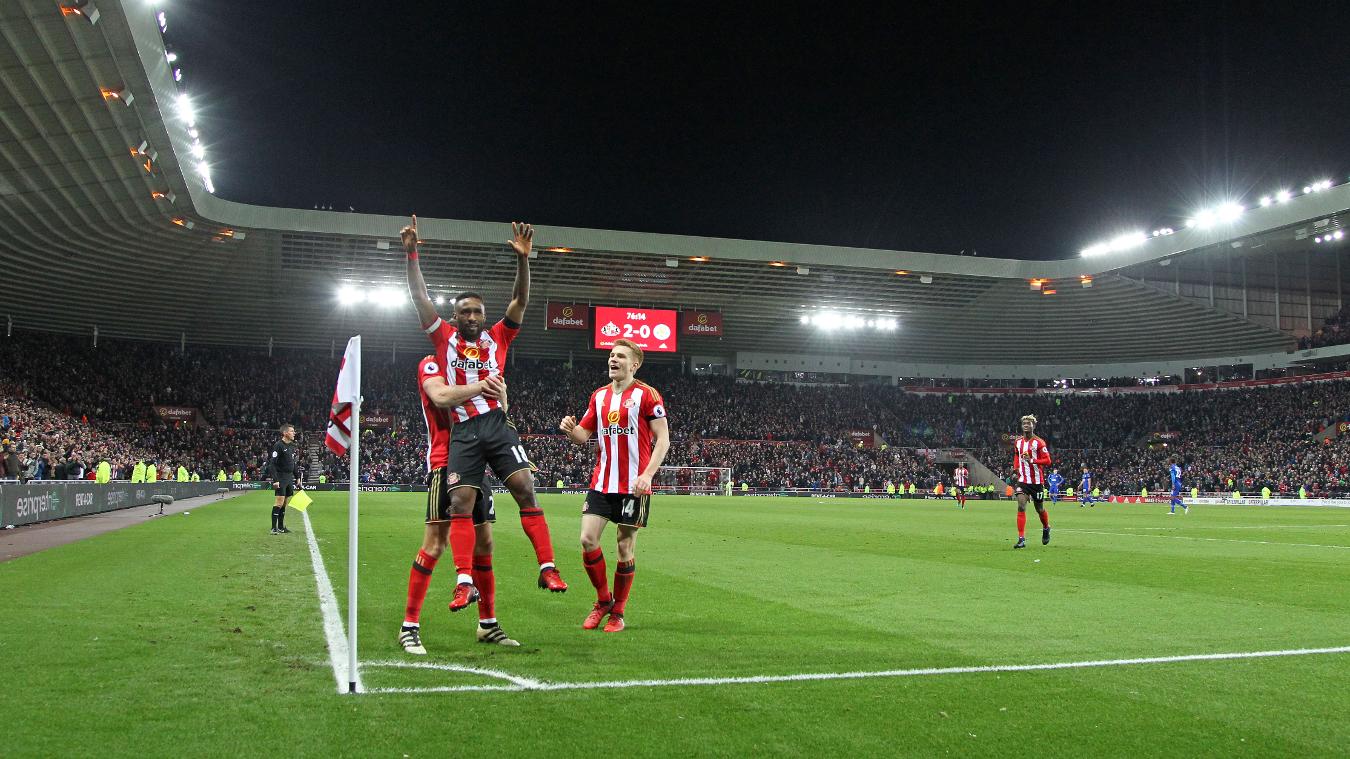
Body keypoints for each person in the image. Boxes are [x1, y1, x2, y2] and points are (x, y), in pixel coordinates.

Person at [402, 216, 567, 592]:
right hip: (463, 430)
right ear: (455, 316)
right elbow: (420, 299)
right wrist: (412, 256)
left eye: (477, 311)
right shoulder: (443, 339)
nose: (472, 316)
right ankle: (463, 581)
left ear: (484, 315)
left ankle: (548, 567)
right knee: (460, 501)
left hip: (495, 424)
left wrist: (523, 259)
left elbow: (521, 300)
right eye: (465, 312)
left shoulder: (499, 337)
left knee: (526, 487)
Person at [400, 354, 520, 655]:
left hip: (478, 464)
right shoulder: (432, 363)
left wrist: (502, 395)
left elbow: (501, 413)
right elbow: (440, 396)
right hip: (445, 463)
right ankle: (409, 627)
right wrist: (483, 385)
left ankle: (488, 624)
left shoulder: (481, 363)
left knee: (485, 543)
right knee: (435, 544)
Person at [560, 339, 671, 633]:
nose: (613, 359)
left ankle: (618, 613)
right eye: (611, 355)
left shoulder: (647, 395)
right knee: (587, 539)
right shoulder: (598, 397)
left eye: (620, 356)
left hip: (634, 485)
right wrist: (571, 430)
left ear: (634, 364)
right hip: (602, 481)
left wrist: (647, 475)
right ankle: (603, 601)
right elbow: (583, 436)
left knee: (624, 546)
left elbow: (663, 439)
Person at [1011, 414, 1052, 549]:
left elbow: (1047, 461)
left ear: (1033, 426)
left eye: (1029, 424)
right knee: (1021, 506)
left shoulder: (1039, 442)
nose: (1026, 426)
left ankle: (1046, 528)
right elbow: (1017, 455)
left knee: (1039, 509)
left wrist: (1032, 461)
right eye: (1024, 424)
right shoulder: (1018, 442)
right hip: (1023, 480)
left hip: (1037, 482)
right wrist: (1016, 468)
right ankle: (1021, 539)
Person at [263, 424, 301, 534]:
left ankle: (280, 527)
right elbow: (272, 464)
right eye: (292, 431)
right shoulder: (278, 445)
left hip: (289, 478)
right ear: (285, 433)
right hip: (281, 477)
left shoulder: (292, 446)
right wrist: (275, 480)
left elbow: (293, 463)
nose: (294, 433)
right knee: (279, 502)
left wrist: (297, 476)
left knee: (284, 503)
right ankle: (273, 528)